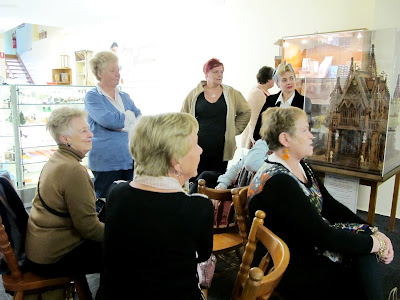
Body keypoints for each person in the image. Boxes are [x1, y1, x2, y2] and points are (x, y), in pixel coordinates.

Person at [248, 107, 394, 300]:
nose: (312, 136)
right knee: (364, 255)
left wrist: (374, 231)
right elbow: (323, 236)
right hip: (287, 264)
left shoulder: (300, 165)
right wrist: (374, 244)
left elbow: (330, 206)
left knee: (364, 248)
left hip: (305, 246)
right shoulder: (278, 182)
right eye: (305, 130)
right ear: (285, 139)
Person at [103, 112, 214, 299]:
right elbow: (202, 255)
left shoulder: (116, 192)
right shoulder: (198, 208)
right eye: (195, 144)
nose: (201, 150)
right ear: (176, 160)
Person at [25, 107, 104, 288]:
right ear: (65, 139)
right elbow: (89, 229)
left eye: (88, 129)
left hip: (40, 249)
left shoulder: (57, 160)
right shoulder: (73, 170)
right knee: (126, 251)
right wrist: (125, 234)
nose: (90, 134)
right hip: (53, 257)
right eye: (83, 131)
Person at [85, 50, 142, 199]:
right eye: (112, 70)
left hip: (129, 159)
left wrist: (126, 121)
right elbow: (107, 120)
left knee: (128, 201)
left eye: (118, 70)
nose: (118, 74)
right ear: (99, 73)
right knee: (106, 202)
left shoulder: (124, 96)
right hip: (106, 162)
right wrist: (129, 118)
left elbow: (140, 118)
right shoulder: (93, 96)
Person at [182, 58, 251, 177]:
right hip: (198, 147)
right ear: (206, 74)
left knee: (217, 179)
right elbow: (183, 117)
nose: (220, 75)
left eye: (221, 72)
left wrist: (233, 129)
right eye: (215, 72)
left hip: (221, 147)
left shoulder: (231, 93)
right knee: (197, 180)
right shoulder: (195, 94)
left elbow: (246, 111)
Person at [252, 63, 312, 142]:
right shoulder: (271, 100)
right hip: (271, 149)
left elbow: (306, 131)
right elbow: (258, 131)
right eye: (284, 80)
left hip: (294, 149)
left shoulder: (304, 101)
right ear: (277, 84)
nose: (289, 82)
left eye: (291, 78)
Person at [188, 139, 269, 194]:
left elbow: (251, 164)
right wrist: (222, 185)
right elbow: (237, 167)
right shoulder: (260, 151)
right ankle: (188, 202)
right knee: (206, 175)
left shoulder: (274, 160)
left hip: (243, 193)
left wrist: (262, 143)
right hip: (237, 185)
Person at [241, 65, 275, 149]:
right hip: (254, 139)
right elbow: (254, 118)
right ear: (268, 79)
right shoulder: (257, 93)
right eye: (274, 77)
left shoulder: (263, 91)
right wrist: (254, 139)